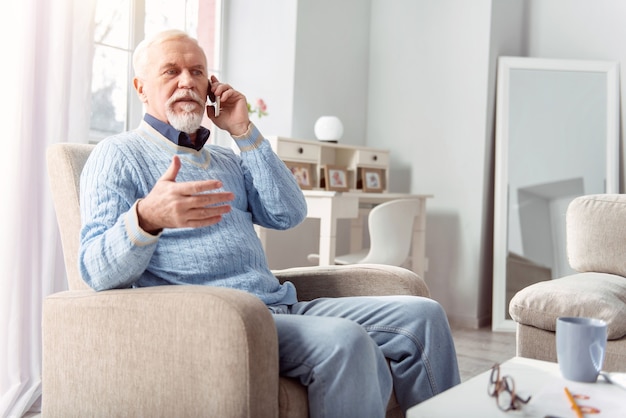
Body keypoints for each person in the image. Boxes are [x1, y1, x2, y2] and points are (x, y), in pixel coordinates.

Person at [78, 29, 460, 417]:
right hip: (220, 322)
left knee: (425, 317)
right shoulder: (117, 155)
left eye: (197, 72)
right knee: (346, 340)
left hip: (281, 308)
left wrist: (244, 133)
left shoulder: (227, 159)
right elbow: (95, 270)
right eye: (170, 72)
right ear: (141, 87)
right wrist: (146, 218)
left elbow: (288, 213)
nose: (186, 81)